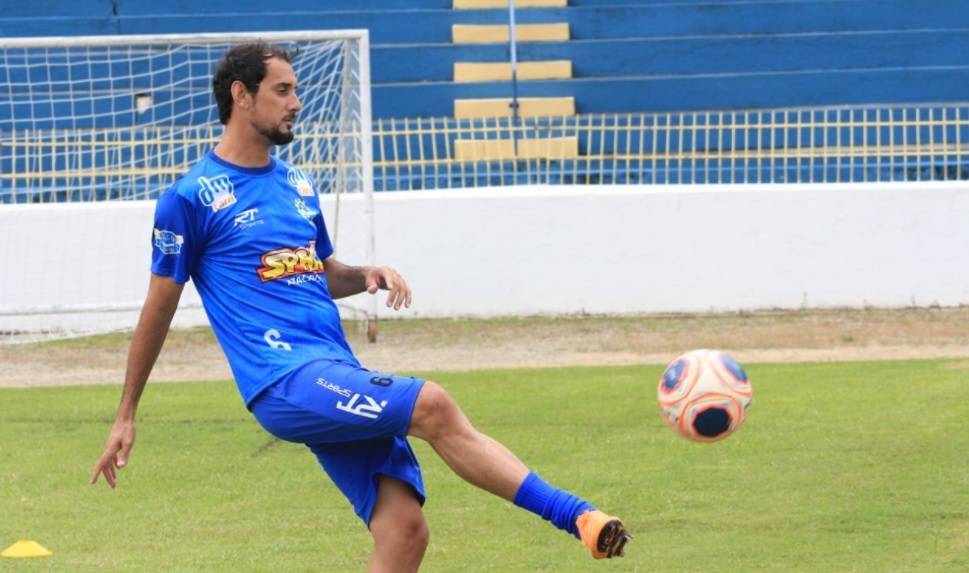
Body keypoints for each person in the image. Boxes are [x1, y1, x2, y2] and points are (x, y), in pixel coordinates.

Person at [90, 41, 631, 571]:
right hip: (284, 381)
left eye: (296, 90)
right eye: (282, 90)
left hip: (332, 370)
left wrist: (362, 275)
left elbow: (316, 274)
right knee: (433, 405)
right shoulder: (190, 198)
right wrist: (126, 412)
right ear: (242, 95)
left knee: (404, 531)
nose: (296, 102)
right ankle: (578, 517)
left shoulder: (297, 185)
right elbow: (159, 306)